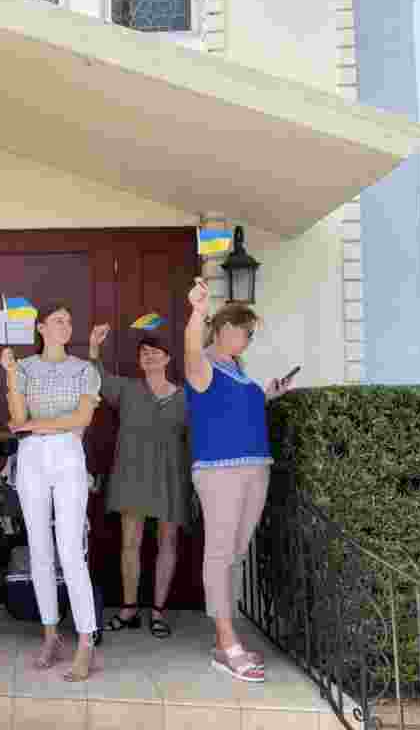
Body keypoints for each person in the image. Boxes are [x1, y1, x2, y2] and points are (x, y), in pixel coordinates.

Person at [183, 278, 293, 683]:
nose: (247, 340)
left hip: (255, 468)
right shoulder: (202, 365)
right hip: (219, 471)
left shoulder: (238, 369)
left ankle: (224, 641)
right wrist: (197, 312)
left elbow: (233, 409)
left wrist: (267, 394)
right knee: (220, 553)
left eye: (250, 335)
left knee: (235, 554)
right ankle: (229, 643)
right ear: (223, 328)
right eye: (244, 332)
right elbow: (190, 349)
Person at [0, 302, 101, 682]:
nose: (66, 325)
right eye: (58, 320)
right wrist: (10, 375)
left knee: (71, 549)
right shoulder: (24, 367)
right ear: (41, 328)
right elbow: (17, 418)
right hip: (31, 458)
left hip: (68, 455)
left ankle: (86, 642)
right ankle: (50, 636)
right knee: (39, 549)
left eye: (69, 320)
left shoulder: (85, 369)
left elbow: (83, 419)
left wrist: (37, 425)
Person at [88, 325, 190, 639]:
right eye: (144, 352)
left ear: (168, 359)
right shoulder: (127, 389)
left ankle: (158, 612)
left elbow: (216, 418)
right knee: (129, 543)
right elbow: (96, 378)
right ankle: (129, 609)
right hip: (131, 474)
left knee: (167, 543)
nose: (148, 356)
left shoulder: (186, 397)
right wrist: (94, 348)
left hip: (170, 476)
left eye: (155, 352)